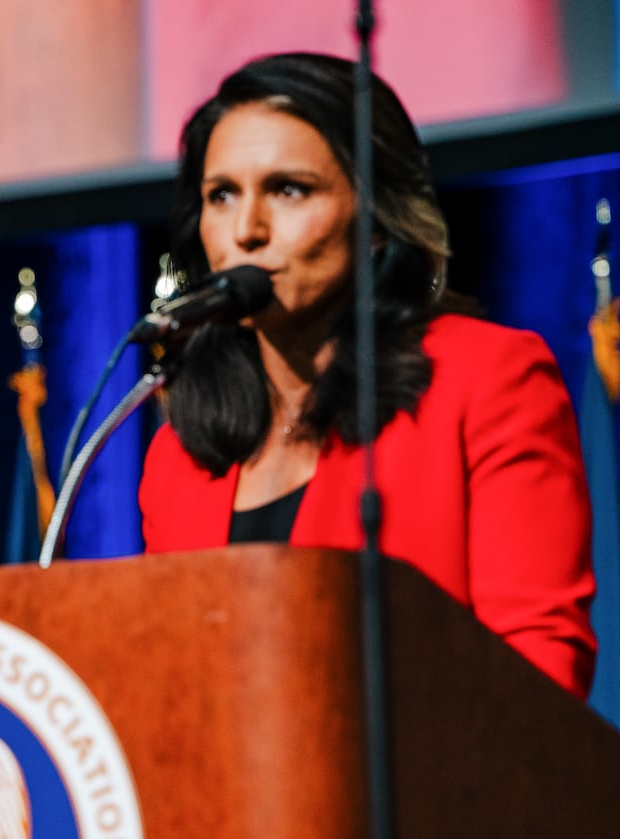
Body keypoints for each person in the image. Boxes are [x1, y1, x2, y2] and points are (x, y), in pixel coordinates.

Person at [139, 53, 596, 698]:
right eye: (222, 196)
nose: (247, 231)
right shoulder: (179, 458)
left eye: (288, 190)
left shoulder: (488, 380)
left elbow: (539, 671)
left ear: (378, 223)